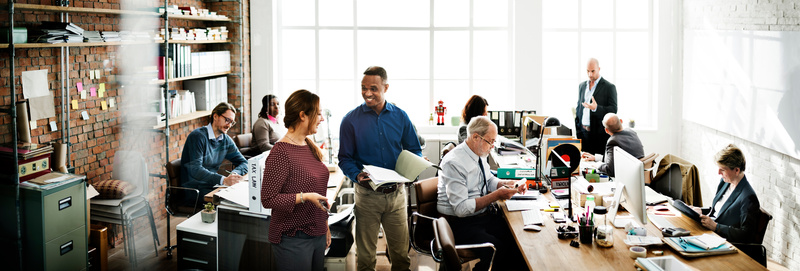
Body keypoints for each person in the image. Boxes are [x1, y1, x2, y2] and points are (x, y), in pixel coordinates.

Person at [339, 66, 422, 271]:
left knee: (401, 257)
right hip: (367, 196)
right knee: (366, 259)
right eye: (364, 88)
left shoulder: (400, 116)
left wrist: (412, 168)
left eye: (374, 88)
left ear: (386, 87)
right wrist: (357, 174)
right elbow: (344, 159)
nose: (368, 93)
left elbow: (414, 149)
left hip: (396, 196)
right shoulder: (350, 120)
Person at [437, 116, 526, 271]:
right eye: (490, 141)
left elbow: (488, 179)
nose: (492, 146)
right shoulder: (455, 162)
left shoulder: (478, 153)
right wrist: (497, 195)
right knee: (497, 249)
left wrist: (506, 184)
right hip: (459, 223)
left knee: (518, 242)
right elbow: (461, 209)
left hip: (480, 217)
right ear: (476, 137)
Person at [261, 89, 330, 271]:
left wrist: (324, 225)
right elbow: (268, 199)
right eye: (319, 113)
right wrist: (305, 197)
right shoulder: (280, 153)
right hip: (293, 238)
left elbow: (319, 192)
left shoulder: (308, 144)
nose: (321, 118)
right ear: (303, 115)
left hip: (317, 233)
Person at [691, 144, 761, 243]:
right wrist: (699, 211)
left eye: (722, 169)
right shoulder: (725, 182)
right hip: (711, 234)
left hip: (724, 242)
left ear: (737, 170)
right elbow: (719, 211)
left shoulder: (748, 197)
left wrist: (716, 227)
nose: (719, 173)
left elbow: (746, 235)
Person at [180, 102, 247, 198]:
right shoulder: (197, 136)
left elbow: (244, 162)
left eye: (232, 122)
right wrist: (223, 180)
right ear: (215, 116)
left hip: (211, 186)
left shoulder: (225, 139)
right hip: (194, 190)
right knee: (231, 202)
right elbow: (195, 170)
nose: (229, 125)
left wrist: (234, 174)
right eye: (227, 120)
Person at [575, 58, 617, 155]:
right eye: (588, 71)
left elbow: (613, 109)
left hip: (599, 136)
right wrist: (578, 129)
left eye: (593, 71)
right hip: (582, 134)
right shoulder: (582, 86)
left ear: (599, 69)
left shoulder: (609, 87)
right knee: (584, 164)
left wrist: (596, 108)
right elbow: (579, 108)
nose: (590, 74)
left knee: (597, 166)